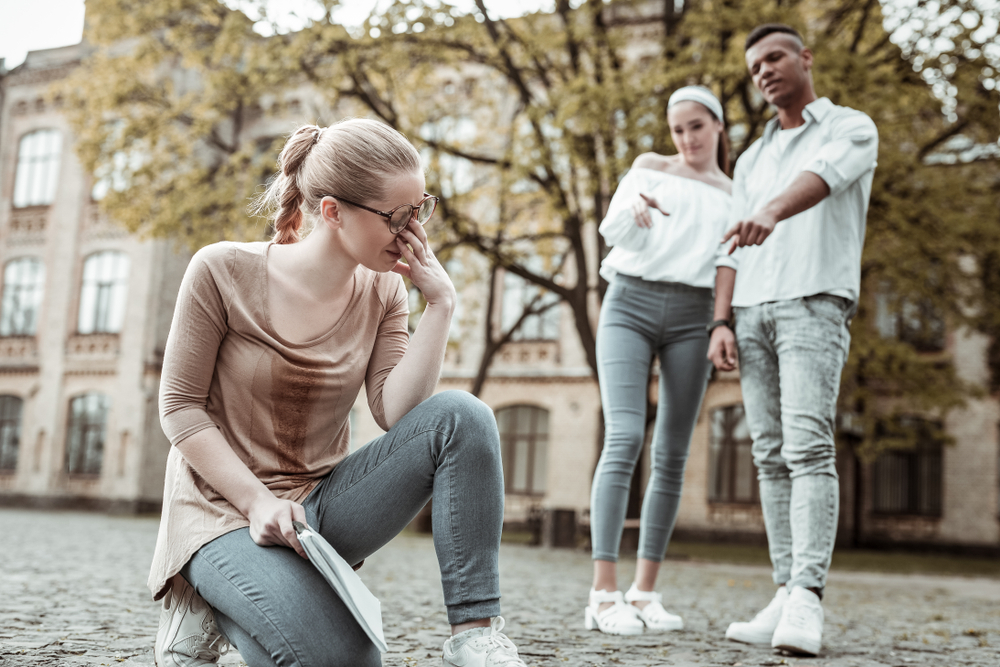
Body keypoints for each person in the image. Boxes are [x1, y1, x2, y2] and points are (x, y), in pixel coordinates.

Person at [148, 118, 530, 667]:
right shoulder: (221, 269)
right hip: (224, 511)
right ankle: (204, 591)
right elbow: (178, 409)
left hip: (320, 510)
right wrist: (258, 503)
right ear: (332, 212)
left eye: (421, 208)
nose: (413, 231)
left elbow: (396, 411)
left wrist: (440, 305)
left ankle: (475, 635)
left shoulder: (384, 287)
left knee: (462, 417)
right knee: (347, 660)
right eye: (398, 217)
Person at [708, 24, 879, 656]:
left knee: (809, 447)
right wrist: (720, 320)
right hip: (750, 314)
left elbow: (824, 178)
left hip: (814, 303)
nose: (765, 72)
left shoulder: (850, 127)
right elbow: (728, 243)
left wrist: (773, 211)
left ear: (804, 58)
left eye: (775, 57)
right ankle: (783, 590)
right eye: (755, 67)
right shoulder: (751, 158)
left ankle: (807, 596)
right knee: (769, 455)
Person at [586, 86, 737, 635]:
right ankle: (603, 593)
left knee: (673, 451)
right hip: (630, 302)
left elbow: (728, 263)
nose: (687, 138)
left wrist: (721, 323)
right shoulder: (649, 168)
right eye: (678, 129)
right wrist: (635, 207)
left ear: (717, 126)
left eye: (696, 126)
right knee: (625, 435)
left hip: (693, 316)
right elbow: (612, 232)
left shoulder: (733, 192)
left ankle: (644, 592)